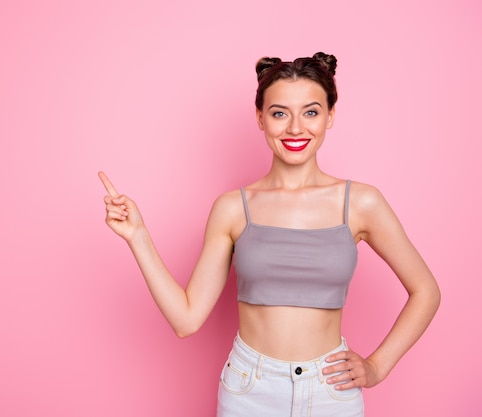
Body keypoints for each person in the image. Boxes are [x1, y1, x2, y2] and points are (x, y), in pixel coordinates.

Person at [98, 52, 440, 417]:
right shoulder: (232, 208)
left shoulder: (361, 203)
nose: (295, 128)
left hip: (330, 389)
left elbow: (426, 291)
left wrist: (377, 366)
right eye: (280, 113)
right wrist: (138, 237)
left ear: (330, 116)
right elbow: (187, 319)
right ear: (260, 118)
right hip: (250, 389)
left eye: (310, 112)